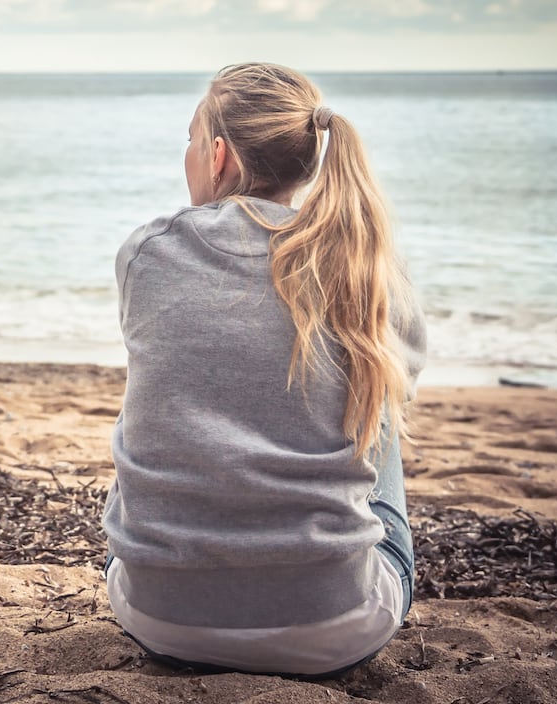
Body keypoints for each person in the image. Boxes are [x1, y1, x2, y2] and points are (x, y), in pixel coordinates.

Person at [102, 62, 427, 678]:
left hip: (159, 617)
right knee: (374, 400)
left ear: (218, 155)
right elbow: (399, 390)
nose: (190, 157)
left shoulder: (147, 251)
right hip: (337, 629)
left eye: (192, 142)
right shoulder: (366, 264)